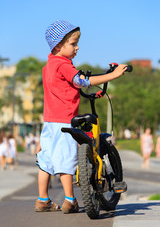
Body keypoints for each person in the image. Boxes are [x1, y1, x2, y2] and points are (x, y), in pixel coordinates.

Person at [35, 20, 128, 213]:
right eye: (73, 43)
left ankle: (43, 199)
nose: (77, 47)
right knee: (66, 161)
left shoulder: (48, 66)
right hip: (64, 120)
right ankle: (70, 200)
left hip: (49, 121)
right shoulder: (63, 65)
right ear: (58, 45)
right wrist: (113, 75)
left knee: (46, 161)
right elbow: (81, 81)